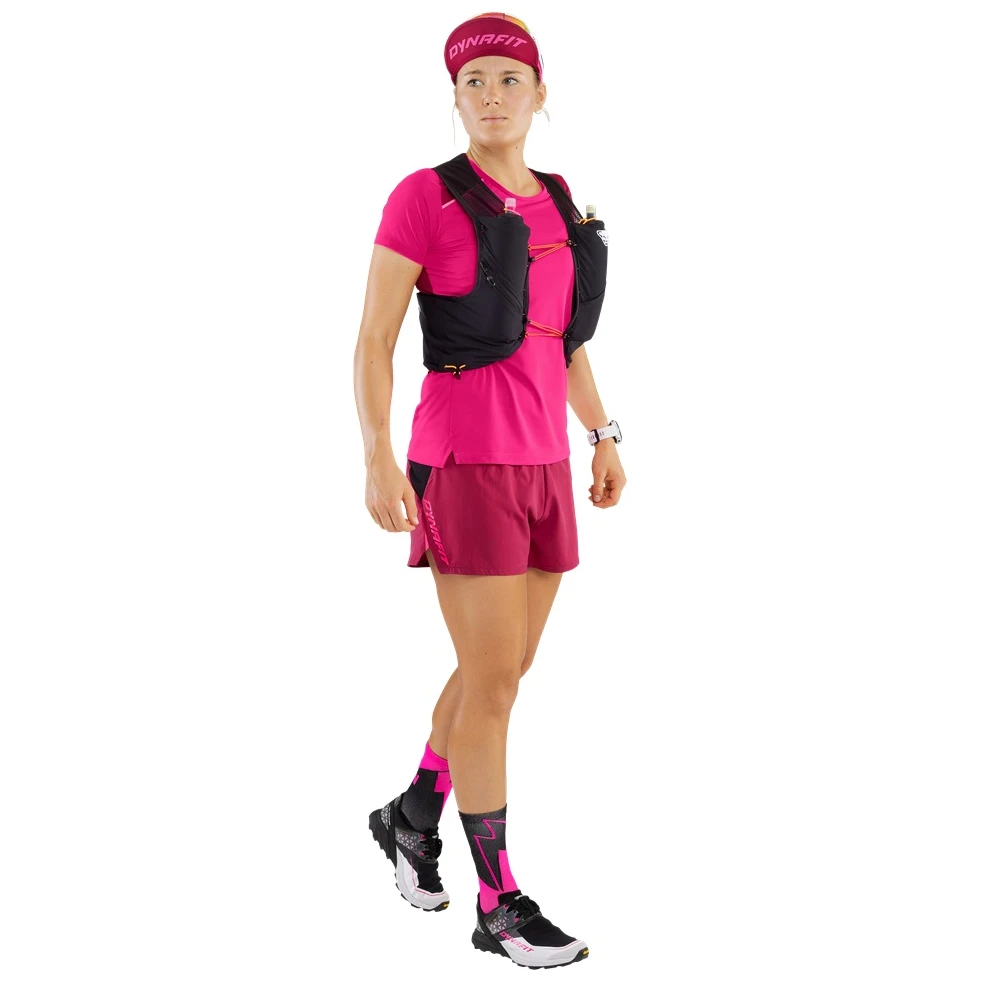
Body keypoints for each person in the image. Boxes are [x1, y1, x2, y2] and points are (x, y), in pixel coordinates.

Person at [353, 12, 626, 969]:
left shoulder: (558, 200)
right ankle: (497, 899)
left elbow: (563, 340)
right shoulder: (422, 197)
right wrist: (377, 455)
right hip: (463, 460)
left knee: (499, 672)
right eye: (474, 83)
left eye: (511, 80)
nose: (493, 96)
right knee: (496, 681)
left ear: (541, 94)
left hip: (544, 464)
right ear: (456, 99)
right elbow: (373, 340)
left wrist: (601, 434)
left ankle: (410, 812)